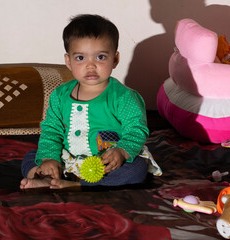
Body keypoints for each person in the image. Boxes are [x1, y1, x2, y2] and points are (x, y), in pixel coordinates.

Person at [20, 14, 150, 190]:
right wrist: (49, 158)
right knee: (31, 156)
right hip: (69, 159)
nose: (90, 66)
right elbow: (51, 130)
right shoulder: (59, 95)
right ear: (68, 61)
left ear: (115, 59)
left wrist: (121, 151)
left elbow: (136, 130)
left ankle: (77, 185)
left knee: (136, 169)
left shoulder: (124, 97)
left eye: (101, 57)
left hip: (106, 164)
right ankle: (46, 177)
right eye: (81, 58)